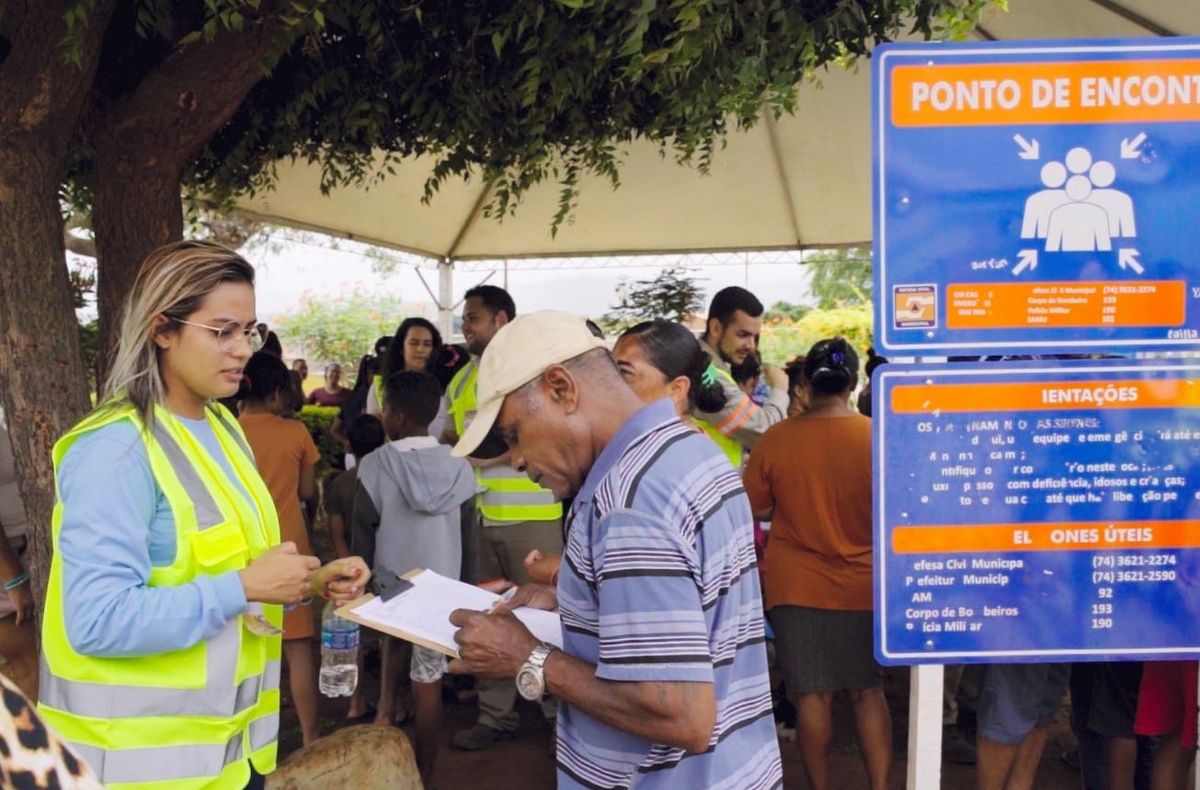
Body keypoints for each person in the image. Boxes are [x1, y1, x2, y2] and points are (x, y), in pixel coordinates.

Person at [38, 240, 370, 789]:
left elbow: (225, 576)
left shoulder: (222, 429)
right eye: (222, 331)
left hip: (229, 762)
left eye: (250, 330)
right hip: (133, 771)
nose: (243, 350)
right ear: (161, 329)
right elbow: (96, 622)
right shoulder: (114, 449)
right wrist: (244, 586)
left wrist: (306, 581)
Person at [446, 310, 783, 788]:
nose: (517, 459)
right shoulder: (689, 448)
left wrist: (527, 655)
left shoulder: (628, 501)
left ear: (561, 388)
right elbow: (694, 603)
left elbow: (681, 716)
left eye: (514, 433)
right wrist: (579, 596)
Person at [743, 337, 892, 790]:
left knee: (812, 697)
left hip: (797, 589)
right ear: (852, 383)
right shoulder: (878, 435)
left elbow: (756, 506)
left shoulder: (777, 439)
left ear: (806, 383)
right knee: (868, 693)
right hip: (865, 586)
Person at [442, 286, 564, 752]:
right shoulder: (460, 381)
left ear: (501, 320)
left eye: (472, 318)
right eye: (465, 319)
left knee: (545, 616)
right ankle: (496, 717)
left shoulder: (527, 371)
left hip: (533, 519)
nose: (465, 327)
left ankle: (556, 713)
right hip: (483, 519)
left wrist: (480, 455)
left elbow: (536, 435)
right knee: (488, 616)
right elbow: (451, 437)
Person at [351, 371, 475, 783]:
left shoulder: (374, 465)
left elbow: (363, 531)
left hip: (389, 584)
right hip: (444, 592)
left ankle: (385, 761)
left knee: (391, 657)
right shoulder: (460, 466)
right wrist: (467, 592)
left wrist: (361, 584)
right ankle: (425, 772)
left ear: (398, 417)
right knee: (429, 682)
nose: (381, 415)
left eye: (385, 408)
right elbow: (469, 536)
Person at [237, 351, 323, 747]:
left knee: (247, 649)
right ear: (276, 395)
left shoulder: (226, 433)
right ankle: (309, 737)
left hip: (243, 554)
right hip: (291, 550)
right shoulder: (296, 434)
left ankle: (252, 741)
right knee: (298, 647)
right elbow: (307, 492)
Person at [694, 286, 789, 463]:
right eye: (743, 335)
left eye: (755, 337)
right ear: (715, 328)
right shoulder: (707, 375)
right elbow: (765, 432)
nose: (751, 346)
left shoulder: (706, 366)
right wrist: (780, 388)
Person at [0, 405, 35, 701]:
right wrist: (14, 578)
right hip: (9, 559)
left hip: (26, 547)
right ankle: (31, 746)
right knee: (29, 666)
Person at [372, 318, 450, 439]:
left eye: (427, 344)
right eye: (414, 343)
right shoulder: (379, 387)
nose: (420, 349)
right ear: (401, 348)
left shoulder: (446, 387)